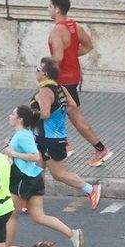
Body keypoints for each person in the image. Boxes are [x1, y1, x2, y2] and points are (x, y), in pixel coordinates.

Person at [45, 0, 112, 167]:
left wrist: (45, 71)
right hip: (74, 77)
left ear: (57, 9)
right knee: (54, 112)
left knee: (73, 116)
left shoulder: (56, 32)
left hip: (61, 79)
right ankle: (64, 145)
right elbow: (88, 46)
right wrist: (72, 55)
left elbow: (58, 57)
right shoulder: (76, 27)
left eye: (50, 6)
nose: (48, 9)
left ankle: (100, 148)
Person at [6, 106, 81, 247]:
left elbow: (35, 156)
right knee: (39, 216)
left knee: (11, 216)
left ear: (20, 119)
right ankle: (73, 234)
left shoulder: (22, 135)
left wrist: (14, 153)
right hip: (34, 178)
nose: (10, 116)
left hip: (23, 179)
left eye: (13, 113)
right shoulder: (24, 134)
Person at [32, 58, 102, 209]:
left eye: (37, 69)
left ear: (44, 73)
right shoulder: (60, 88)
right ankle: (30, 201)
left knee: (59, 174)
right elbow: (72, 105)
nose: (35, 72)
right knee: (37, 168)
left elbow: (44, 114)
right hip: (54, 136)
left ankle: (91, 189)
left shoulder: (44, 92)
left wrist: (28, 115)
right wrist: (60, 114)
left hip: (49, 139)